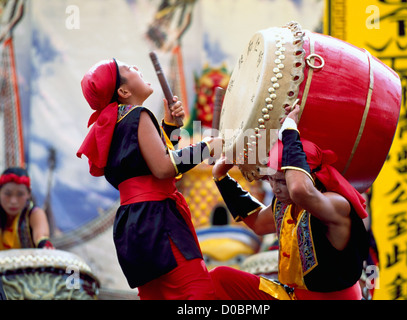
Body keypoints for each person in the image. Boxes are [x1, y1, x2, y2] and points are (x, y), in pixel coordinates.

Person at [76, 59, 222, 300]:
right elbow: (163, 168)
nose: (134, 66)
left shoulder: (114, 122)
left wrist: (170, 128)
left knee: (159, 296)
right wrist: (207, 146)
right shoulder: (137, 114)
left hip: (132, 222)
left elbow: (142, 164)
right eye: (127, 69)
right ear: (123, 91)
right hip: (158, 217)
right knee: (199, 293)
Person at [209, 105, 369, 300]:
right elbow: (258, 222)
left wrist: (290, 132)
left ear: (311, 176)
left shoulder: (335, 204)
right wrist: (221, 176)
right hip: (294, 297)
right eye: (272, 180)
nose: (276, 189)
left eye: (283, 181)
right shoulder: (285, 204)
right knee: (219, 279)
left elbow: (300, 190)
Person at [0, 167, 53, 250]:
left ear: (28, 194)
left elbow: (41, 237)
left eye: (20, 194)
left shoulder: (34, 214)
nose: (13, 201)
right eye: (8, 194)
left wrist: (45, 245)